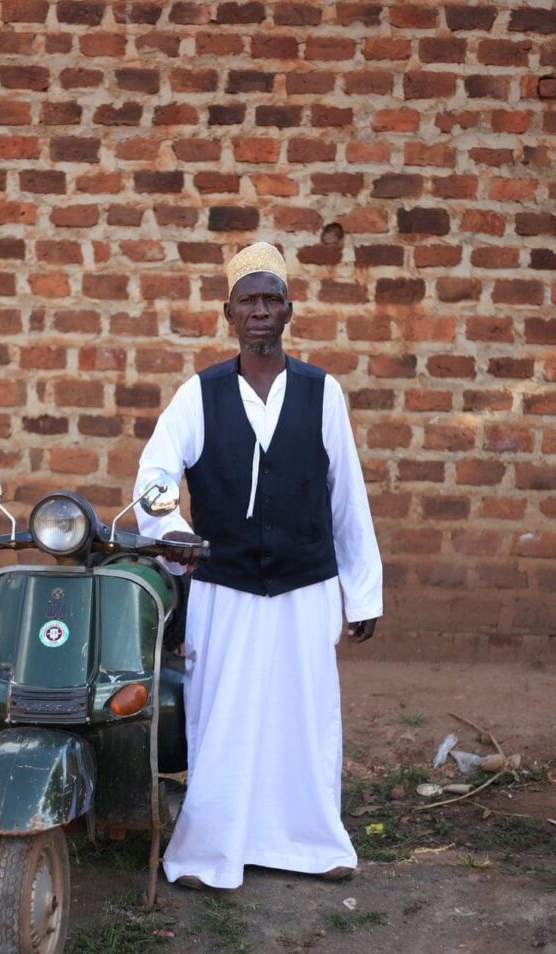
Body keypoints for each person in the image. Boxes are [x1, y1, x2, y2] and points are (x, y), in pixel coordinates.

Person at [134, 241, 383, 890]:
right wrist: (172, 530)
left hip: (306, 581)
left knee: (307, 716)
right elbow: (154, 480)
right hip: (226, 585)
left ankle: (312, 842)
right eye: (250, 300)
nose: (262, 311)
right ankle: (211, 852)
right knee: (223, 715)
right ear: (229, 313)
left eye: (273, 299)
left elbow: (346, 496)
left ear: (290, 310)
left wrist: (362, 593)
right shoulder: (200, 395)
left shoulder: (322, 393)